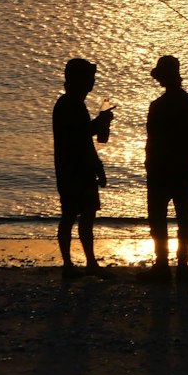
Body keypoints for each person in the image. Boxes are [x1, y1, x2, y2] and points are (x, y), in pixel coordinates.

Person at [142, 55, 188, 282]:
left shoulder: (157, 106)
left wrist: (150, 164)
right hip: (181, 169)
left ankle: (162, 265)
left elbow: (152, 140)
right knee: (183, 218)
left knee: (158, 218)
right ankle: (182, 266)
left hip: (161, 169)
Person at [52, 57, 114, 275]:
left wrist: (97, 166)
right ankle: (69, 264)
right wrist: (101, 123)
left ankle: (88, 263)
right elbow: (80, 135)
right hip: (72, 170)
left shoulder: (75, 104)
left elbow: (85, 140)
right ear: (78, 80)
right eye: (89, 78)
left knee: (86, 216)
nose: (92, 82)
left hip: (80, 169)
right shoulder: (68, 104)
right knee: (70, 216)